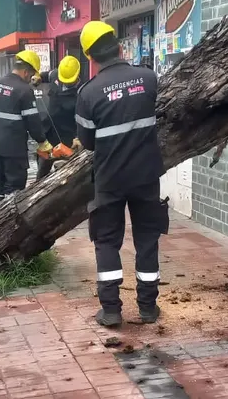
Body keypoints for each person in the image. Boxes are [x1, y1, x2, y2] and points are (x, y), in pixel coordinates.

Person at [75, 21, 167, 327]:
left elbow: (87, 142)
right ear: (118, 47)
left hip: (109, 179)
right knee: (148, 239)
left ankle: (111, 310)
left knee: (107, 242)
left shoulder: (88, 94)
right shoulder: (148, 77)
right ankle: (148, 308)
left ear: (91, 57)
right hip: (146, 176)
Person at [0, 50, 53, 203]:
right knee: (14, 188)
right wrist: (42, 141)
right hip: (14, 151)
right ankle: (9, 223)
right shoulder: (24, 91)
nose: (31, 79)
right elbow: (33, 121)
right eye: (31, 76)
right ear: (25, 72)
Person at [36, 56, 83, 180]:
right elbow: (46, 75)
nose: (66, 82)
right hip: (49, 134)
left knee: (67, 177)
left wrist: (78, 137)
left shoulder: (82, 91)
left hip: (69, 139)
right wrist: (38, 77)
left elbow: (83, 117)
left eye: (69, 81)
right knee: (42, 173)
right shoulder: (55, 75)